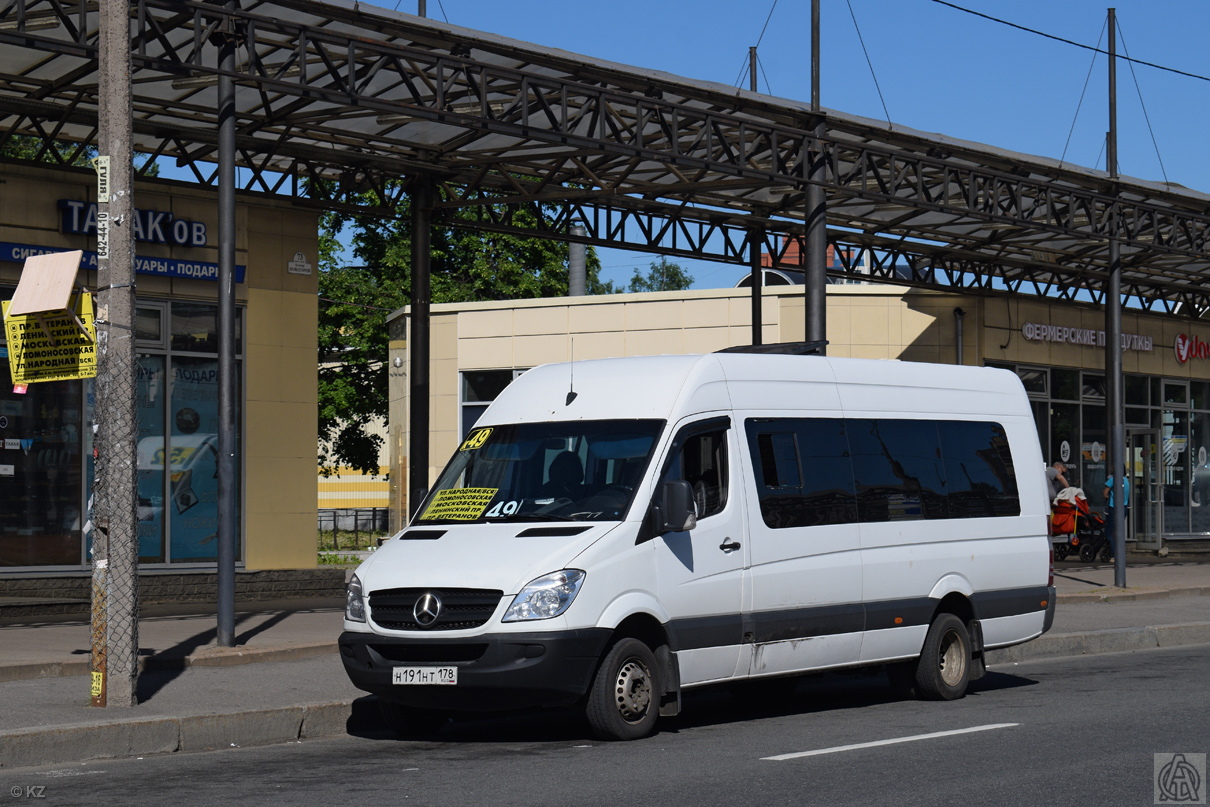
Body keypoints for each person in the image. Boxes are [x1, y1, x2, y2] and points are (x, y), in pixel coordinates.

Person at [1103, 467, 1131, 554]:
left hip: (1113, 508)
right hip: (1124, 508)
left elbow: (1105, 494)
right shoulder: (1126, 480)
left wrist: (1108, 496)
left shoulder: (1112, 480)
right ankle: (1119, 553)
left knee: (1109, 532)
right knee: (1118, 531)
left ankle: (1113, 553)